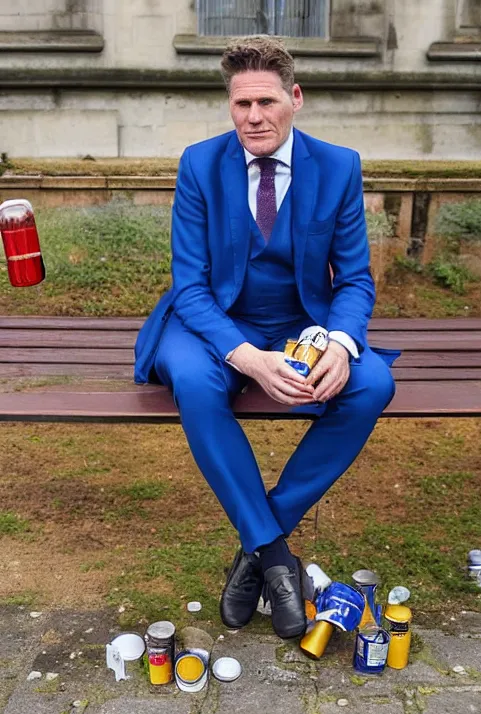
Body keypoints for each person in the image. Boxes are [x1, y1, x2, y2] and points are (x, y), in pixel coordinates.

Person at [134, 36, 398, 641]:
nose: (253, 117)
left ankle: (258, 541)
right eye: (241, 104)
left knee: (372, 383)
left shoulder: (338, 166)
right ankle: (278, 559)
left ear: (295, 98)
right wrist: (247, 357)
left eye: (266, 102)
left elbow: (354, 279)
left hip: (302, 327)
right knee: (197, 385)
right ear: (230, 106)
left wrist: (340, 342)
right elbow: (191, 285)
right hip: (212, 326)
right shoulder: (201, 164)